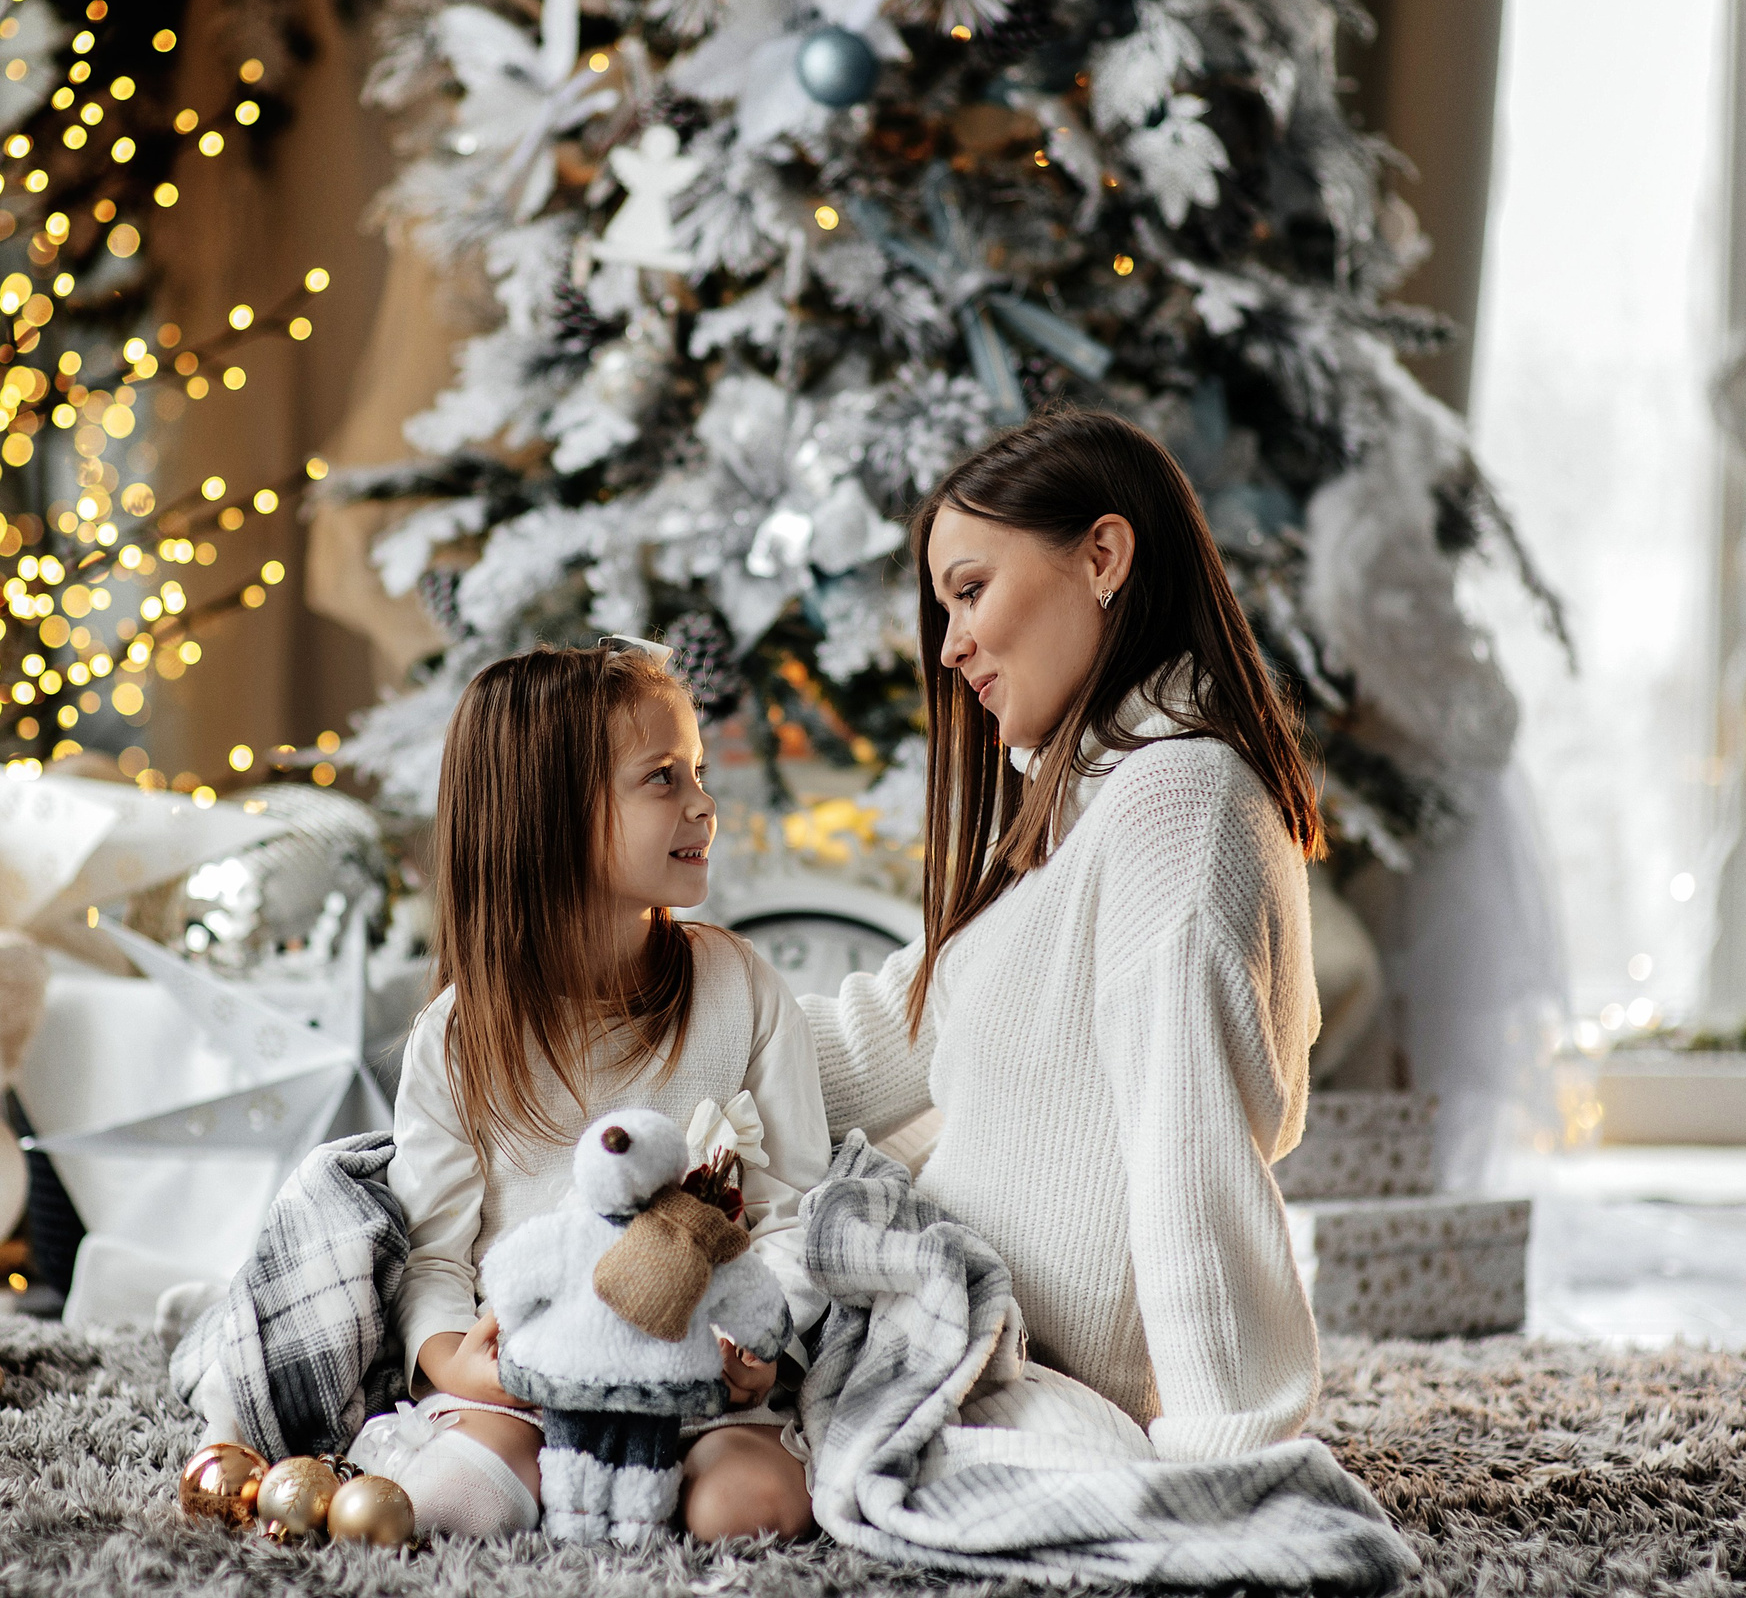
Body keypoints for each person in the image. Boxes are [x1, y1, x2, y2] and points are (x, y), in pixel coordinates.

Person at [808, 409, 1329, 1463]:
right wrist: (647, 1040)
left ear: (1102, 556)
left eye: (969, 588)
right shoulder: (1088, 804)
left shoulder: (1175, 801)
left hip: (1006, 1369)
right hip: (956, 1319)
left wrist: (1233, 1460)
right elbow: (878, 1040)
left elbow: (1192, 1155)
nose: (949, 644)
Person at [364, 640, 830, 1539]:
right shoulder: (460, 1036)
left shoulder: (743, 989)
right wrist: (453, 1365)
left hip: (699, 1384)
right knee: (467, 1493)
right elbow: (431, 1255)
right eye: (663, 777)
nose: (704, 803)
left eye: (696, 770)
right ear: (548, 816)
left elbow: (790, 1213)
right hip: (532, 1382)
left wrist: (756, 1347)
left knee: (752, 1506)